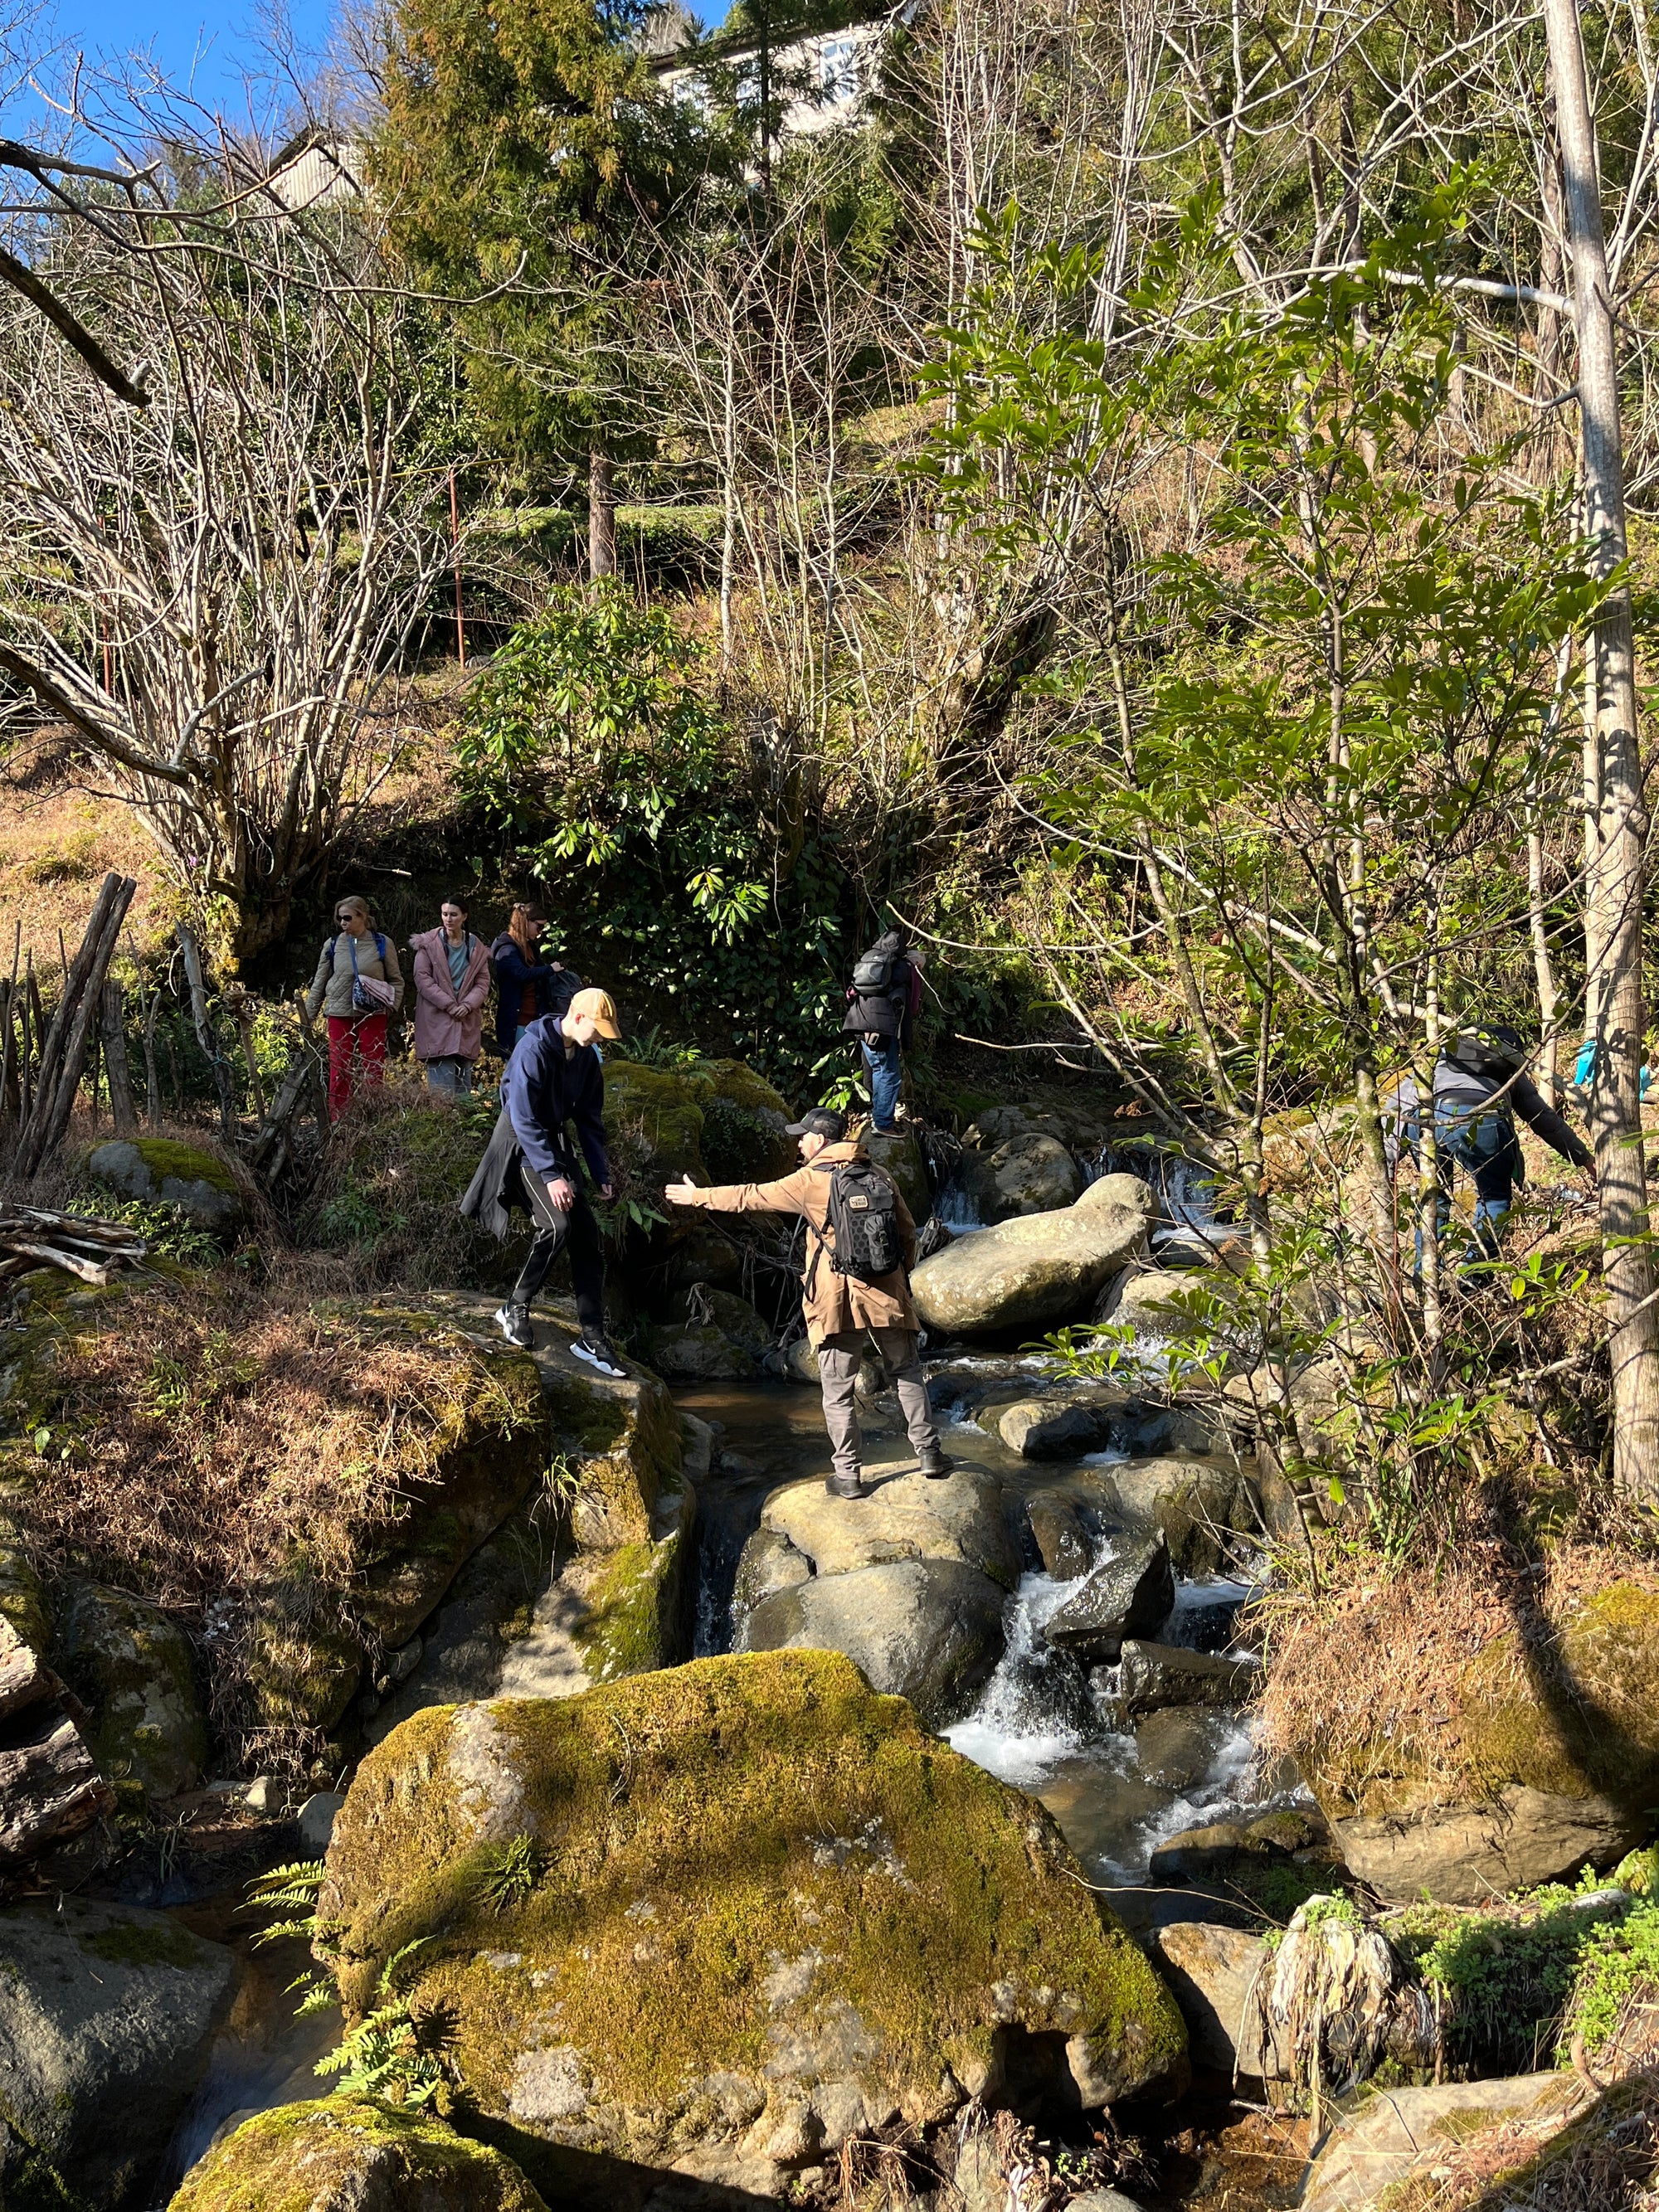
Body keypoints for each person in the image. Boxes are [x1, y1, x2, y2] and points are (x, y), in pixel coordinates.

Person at [664, 1106, 951, 1500]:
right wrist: (899, 1280)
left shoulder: (808, 1181)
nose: (799, 1142)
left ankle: (848, 1476)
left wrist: (698, 1197)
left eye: (804, 1136)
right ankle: (930, 1454)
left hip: (835, 1301)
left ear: (821, 1140)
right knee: (906, 1372)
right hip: (886, 1293)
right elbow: (907, 1232)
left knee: (838, 1390)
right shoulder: (879, 1173)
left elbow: (750, 1196)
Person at [461, 984, 626, 1372]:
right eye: (599, 1029)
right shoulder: (532, 1048)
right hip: (520, 1143)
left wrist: (599, 1171)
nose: (601, 1037)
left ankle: (591, 1337)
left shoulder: (586, 1057)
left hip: (553, 1144)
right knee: (558, 1225)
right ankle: (513, 1307)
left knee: (588, 1237)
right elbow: (522, 1117)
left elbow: (589, 1117)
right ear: (578, 1017)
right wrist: (553, 1176)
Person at [1392, 1023, 1593, 1268]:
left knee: (1435, 1198)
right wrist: (1585, 1159)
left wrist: (1388, 1166)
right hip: (1482, 1117)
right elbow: (1544, 1119)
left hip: (1424, 1120)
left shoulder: (1436, 1060)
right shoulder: (1507, 1069)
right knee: (1494, 1199)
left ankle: (1426, 1282)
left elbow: (1395, 1108)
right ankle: (1473, 1278)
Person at [306, 894, 405, 1121]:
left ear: (363, 916)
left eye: (348, 918)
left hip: (372, 1014)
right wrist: (308, 1017)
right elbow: (319, 983)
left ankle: (372, 1118)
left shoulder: (382, 943)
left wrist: (390, 1008)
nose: (343, 923)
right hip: (339, 1013)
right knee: (339, 1069)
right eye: (340, 918)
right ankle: (339, 1121)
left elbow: (397, 980)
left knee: (373, 1067)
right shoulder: (332, 945)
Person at [840, 928, 925, 1135]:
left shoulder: (868, 959)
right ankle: (883, 1124)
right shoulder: (906, 968)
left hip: (858, 1023)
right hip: (883, 1028)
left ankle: (877, 1114)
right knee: (889, 1074)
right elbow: (912, 1005)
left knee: (875, 1069)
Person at [410, 897, 492, 1096]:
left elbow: (483, 982)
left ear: (464, 917)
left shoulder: (475, 946)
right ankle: (443, 1124)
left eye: (453, 915)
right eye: (445, 914)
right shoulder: (428, 943)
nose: (448, 919)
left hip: (466, 1018)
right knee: (441, 1092)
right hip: (436, 1018)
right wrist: (449, 1005)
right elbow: (422, 979)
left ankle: (463, 1126)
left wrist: (467, 1005)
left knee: (463, 1088)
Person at [491, 902, 581, 1057]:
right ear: (525, 922)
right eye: (539, 927)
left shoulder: (530, 947)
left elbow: (538, 976)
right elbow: (522, 974)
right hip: (516, 1023)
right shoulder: (506, 948)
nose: (540, 933)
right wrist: (550, 969)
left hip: (536, 1020)